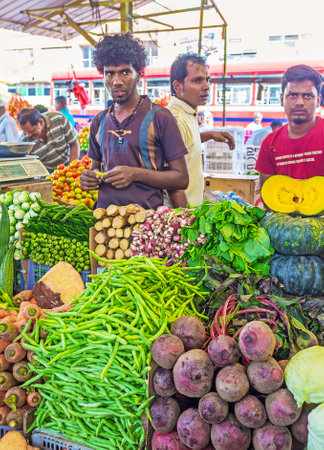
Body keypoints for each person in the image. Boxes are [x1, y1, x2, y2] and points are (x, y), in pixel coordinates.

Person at [80, 33, 189, 210]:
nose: (116, 81)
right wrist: (89, 178)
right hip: (105, 225)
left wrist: (135, 174)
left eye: (125, 72)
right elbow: (95, 170)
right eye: (110, 74)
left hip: (147, 227)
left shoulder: (161, 118)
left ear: (139, 74)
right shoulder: (99, 121)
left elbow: (181, 178)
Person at [166, 53, 235, 206]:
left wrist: (209, 135)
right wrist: (187, 220)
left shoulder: (187, 113)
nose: (206, 87)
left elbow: (185, 143)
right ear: (178, 86)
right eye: (197, 80)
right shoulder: (175, 119)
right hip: (180, 216)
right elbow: (171, 180)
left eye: (207, 80)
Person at [255, 64, 324, 187]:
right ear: (282, 99)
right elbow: (268, 192)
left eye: (307, 96)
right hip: (282, 206)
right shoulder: (269, 143)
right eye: (292, 95)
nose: (299, 102)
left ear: (318, 101)